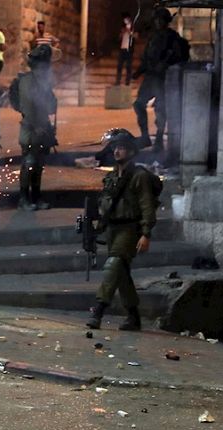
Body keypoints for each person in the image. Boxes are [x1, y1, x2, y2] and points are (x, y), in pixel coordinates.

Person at [86, 131, 159, 331]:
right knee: (121, 272)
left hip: (130, 228)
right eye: (115, 148)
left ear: (131, 151)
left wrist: (146, 233)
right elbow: (105, 203)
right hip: (113, 228)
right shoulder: (111, 177)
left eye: (122, 148)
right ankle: (133, 316)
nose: (117, 151)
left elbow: (147, 206)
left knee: (114, 265)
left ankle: (98, 310)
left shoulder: (139, 176)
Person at [132, 7, 188, 152]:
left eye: (161, 19)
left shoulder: (172, 37)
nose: (158, 22)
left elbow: (179, 56)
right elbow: (146, 58)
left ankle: (158, 138)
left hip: (163, 79)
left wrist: (166, 64)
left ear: (166, 21)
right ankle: (145, 137)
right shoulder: (153, 37)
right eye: (156, 19)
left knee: (161, 109)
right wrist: (138, 72)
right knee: (138, 104)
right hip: (150, 77)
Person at [16, 44, 57, 210]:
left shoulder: (43, 82)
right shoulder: (27, 81)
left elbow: (51, 107)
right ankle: (23, 199)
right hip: (30, 129)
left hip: (42, 127)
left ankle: (36, 196)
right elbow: (27, 107)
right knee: (29, 163)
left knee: (39, 165)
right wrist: (36, 126)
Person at [116, 12, 136, 86]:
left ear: (129, 18)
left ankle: (127, 82)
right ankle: (118, 81)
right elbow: (119, 38)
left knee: (128, 66)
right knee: (119, 66)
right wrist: (121, 33)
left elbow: (135, 36)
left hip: (129, 49)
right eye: (124, 19)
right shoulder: (122, 27)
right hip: (122, 48)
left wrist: (129, 31)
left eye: (126, 18)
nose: (125, 20)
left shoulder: (133, 26)